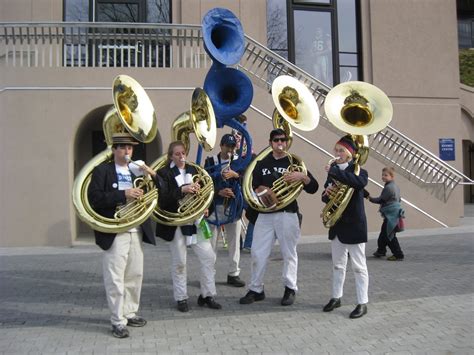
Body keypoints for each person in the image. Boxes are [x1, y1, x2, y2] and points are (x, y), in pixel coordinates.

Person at [88, 132, 158, 339]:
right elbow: (95, 198)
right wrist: (123, 194)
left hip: (136, 228)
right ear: (114, 150)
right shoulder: (103, 170)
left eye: (129, 148)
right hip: (115, 230)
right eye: (122, 147)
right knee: (115, 279)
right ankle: (118, 320)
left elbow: (159, 190)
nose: (126, 151)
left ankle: (130, 312)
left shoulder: (137, 171)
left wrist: (152, 175)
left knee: (135, 275)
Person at [240, 128, 319, 306]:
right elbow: (252, 186)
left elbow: (314, 188)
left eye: (283, 140)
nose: (280, 143)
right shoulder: (261, 163)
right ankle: (256, 289)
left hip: (287, 213)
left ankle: (290, 288)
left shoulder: (295, 162)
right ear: (270, 143)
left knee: (289, 253)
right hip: (265, 214)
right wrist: (260, 190)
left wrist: (303, 177)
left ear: (287, 142)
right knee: (257, 253)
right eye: (276, 140)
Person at [155, 141, 221, 313]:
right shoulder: (164, 173)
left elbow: (208, 193)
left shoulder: (195, 170)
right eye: (177, 154)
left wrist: (207, 208)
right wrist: (182, 190)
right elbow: (162, 200)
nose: (181, 156)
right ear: (171, 156)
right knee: (180, 262)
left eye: (183, 152)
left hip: (196, 222)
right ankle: (181, 298)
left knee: (208, 257)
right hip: (177, 224)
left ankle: (207, 295)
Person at [321, 135, 369, 319]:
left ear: (350, 154)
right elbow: (325, 197)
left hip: (355, 225)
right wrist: (327, 193)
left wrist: (334, 173)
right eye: (337, 150)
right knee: (337, 265)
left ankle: (362, 302)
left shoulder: (359, 171)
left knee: (358, 266)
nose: (338, 153)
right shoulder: (333, 171)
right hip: (337, 224)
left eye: (342, 150)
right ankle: (336, 297)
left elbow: (359, 183)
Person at [204, 134, 246, 287]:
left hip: (233, 207)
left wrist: (236, 175)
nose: (229, 149)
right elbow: (204, 183)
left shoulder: (238, 162)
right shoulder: (210, 161)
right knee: (211, 242)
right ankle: (209, 273)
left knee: (234, 241)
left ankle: (233, 273)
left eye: (232, 147)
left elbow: (247, 180)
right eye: (227, 146)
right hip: (215, 206)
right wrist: (218, 192)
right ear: (221, 146)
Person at [367, 167, 405, 261]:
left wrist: (368, 197)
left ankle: (398, 254)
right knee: (384, 233)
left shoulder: (389, 188)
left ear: (392, 176)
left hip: (391, 216)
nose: (383, 177)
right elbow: (399, 199)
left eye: (386, 175)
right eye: (382, 175)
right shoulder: (394, 186)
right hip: (393, 214)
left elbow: (381, 200)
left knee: (389, 235)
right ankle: (381, 250)